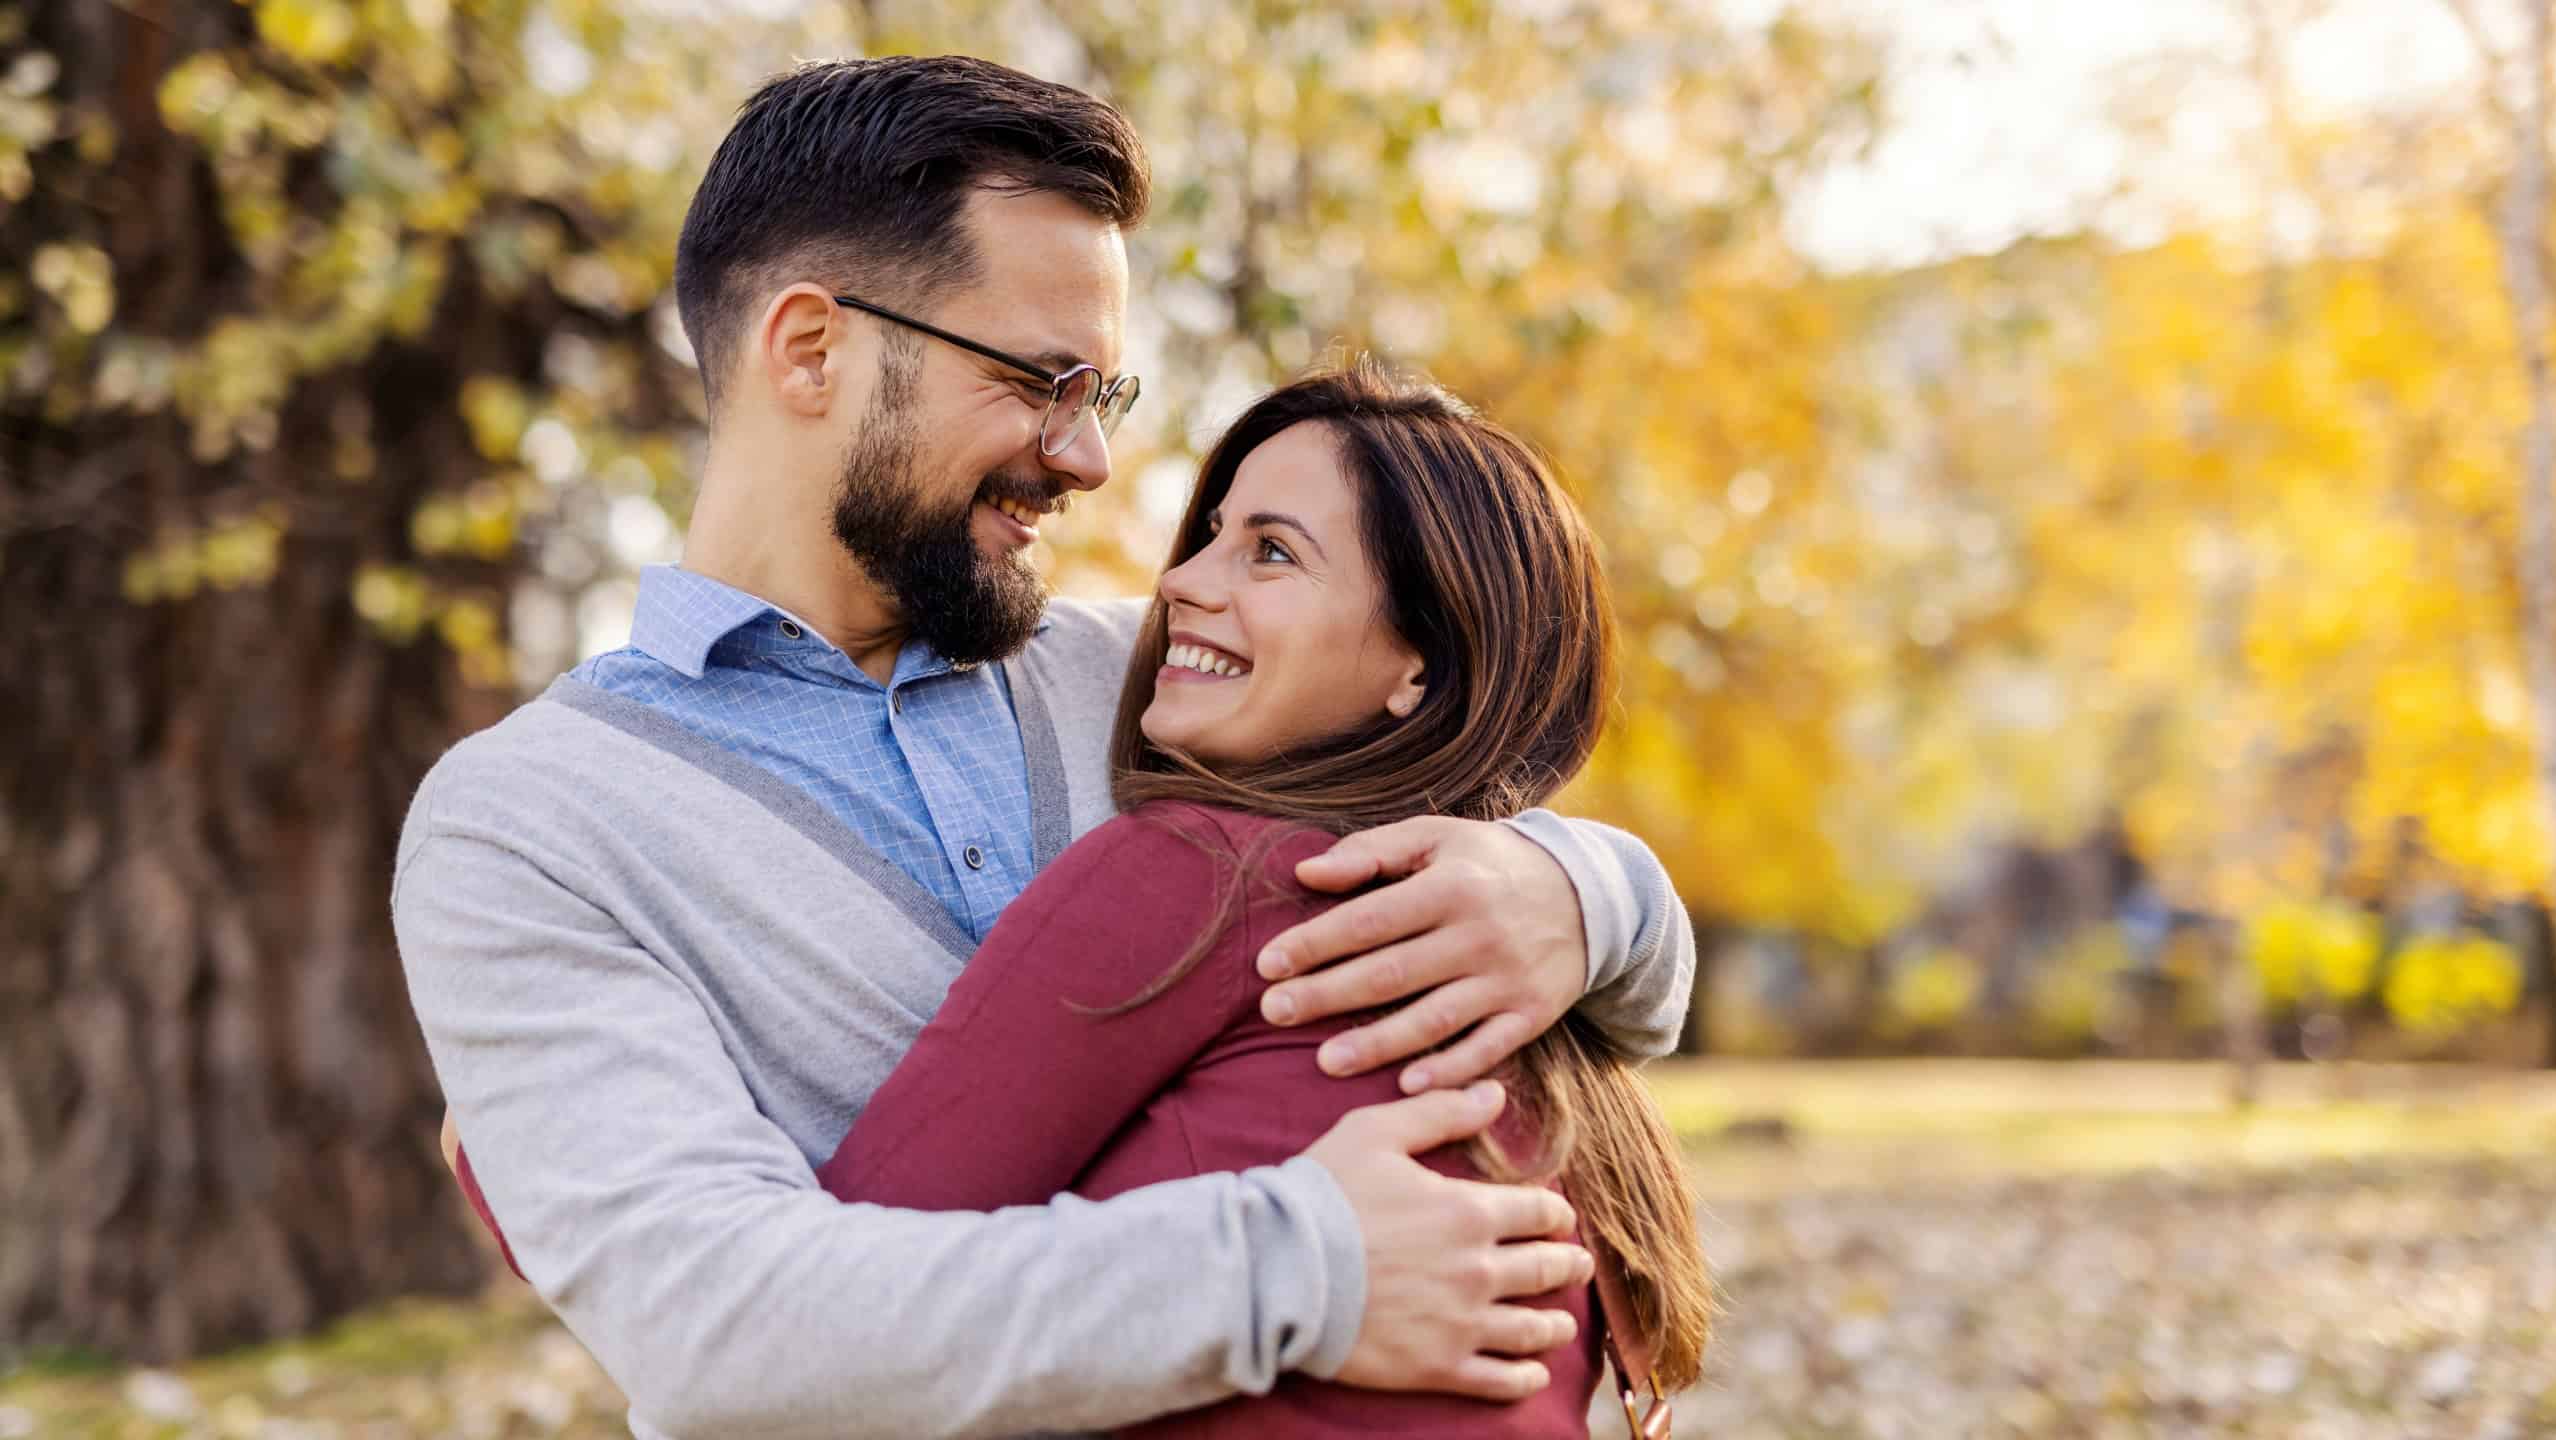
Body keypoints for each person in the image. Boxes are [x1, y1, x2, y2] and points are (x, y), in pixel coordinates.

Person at [394, 55, 1694, 1440]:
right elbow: (720, 1333)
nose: (1087, 461)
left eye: (1105, 399)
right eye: (1040, 380)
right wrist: (1299, 1264)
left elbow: (1453, 761)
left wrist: (1581, 895)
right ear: (812, 348)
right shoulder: (526, 823)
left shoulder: (1143, 675)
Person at [820, 363, 1711, 1438]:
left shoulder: (1185, 874)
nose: (1184, 580)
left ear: (1417, 669)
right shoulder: (1538, 1007)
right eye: (1210, 535)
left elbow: (839, 1317)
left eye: (1271, 551)